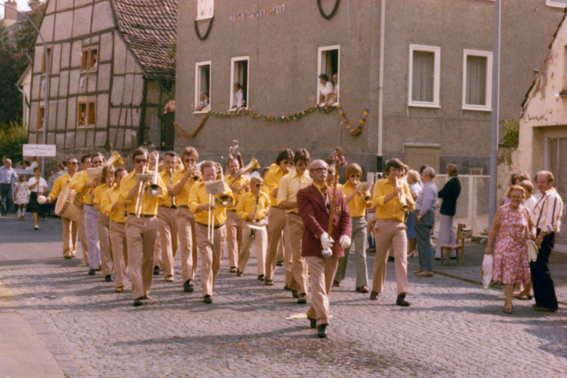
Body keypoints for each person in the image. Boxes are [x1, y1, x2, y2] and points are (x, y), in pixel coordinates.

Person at [297, 159, 351, 338]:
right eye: (318, 170)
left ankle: (312, 313)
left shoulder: (338, 192)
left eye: (325, 170)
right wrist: (321, 235)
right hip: (314, 245)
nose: (323, 173)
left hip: (334, 246)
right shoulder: (304, 193)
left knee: (326, 287)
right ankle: (323, 321)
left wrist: (345, 234)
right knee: (318, 284)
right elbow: (308, 217)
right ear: (310, 173)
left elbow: (346, 217)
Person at [119, 148, 166, 307]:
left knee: (148, 258)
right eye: (138, 160)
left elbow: (164, 195)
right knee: (134, 258)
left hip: (151, 220)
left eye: (143, 161)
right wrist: (137, 185)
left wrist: (153, 185)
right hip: (133, 219)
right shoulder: (127, 178)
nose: (141, 164)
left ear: (148, 162)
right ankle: (137, 294)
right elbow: (122, 199)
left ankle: (145, 289)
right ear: (133, 162)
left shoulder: (155, 176)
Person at [370, 158, 415, 306]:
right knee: (380, 259)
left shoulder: (403, 185)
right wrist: (393, 194)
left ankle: (401, 294)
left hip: (399, 225)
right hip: (383, 224)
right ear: (388, 171)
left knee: (401, 259)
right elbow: (375, 202)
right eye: (394, 170)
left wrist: (407, 199)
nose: (397, 173)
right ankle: (376, 288)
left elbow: (412, 207)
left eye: (399, 171)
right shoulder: (380, 184)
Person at [188, 161, 234, 304]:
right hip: (202, 227)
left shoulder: (223, 185)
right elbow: (191, 205)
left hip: (219, 228)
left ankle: (210, 285)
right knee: (206, 259)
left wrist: (221, 191)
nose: (210, 177)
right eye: (207, 175)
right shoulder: (196, 187)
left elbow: (231, 201)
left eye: (213, 174)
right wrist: (203, 207)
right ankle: (207, 292)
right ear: (202, 175)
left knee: (217, 262)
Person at [485, 185, 534, 313]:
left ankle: (509, 299)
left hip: (520, 249)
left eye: (519, 197)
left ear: (523, 198)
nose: (516, 199)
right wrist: (488, 246)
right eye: (513, 196)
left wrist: (533, 233)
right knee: (508, 275)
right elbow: (494, 229)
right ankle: (508, 301)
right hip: (504, 248)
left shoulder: (525, 211)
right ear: (509, 197)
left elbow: (531, 226)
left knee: (513, 275)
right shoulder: (502, 210)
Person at [277, 149, 312, 304]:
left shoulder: (312, 178)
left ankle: (292, 283)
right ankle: (303, 291)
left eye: (305, 165)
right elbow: (280, 203)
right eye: (299, 164)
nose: (302, 167)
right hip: (293, 218)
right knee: (298, 255)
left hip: (310, 219)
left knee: (309, 255)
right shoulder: (286, 179)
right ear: (294, 163)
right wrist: (298, 203)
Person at [530, 171, 564, 312]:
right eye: (538, 181)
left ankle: (550, 303)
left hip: (545, 234)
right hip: (537, 232)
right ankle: (541, 300)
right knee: (534, 266)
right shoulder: (540, 195)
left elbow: (549, 221)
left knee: (541, 266)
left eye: (542, 182)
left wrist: (540, 238)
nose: (539, 184)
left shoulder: (552, 197)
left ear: (551, 183)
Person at [333, 163, 370, 293]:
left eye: (358, 176)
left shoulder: (363, 188)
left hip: (360, 221)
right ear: (347, 176)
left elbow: (369, 206)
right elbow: (343, 203)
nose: (355, 178)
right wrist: (355, 192)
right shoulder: (341, 188)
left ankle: (361, 283)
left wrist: (365, 197)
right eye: (352, 175)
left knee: (361, 253)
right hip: (346, 222)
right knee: (344, 252)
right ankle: (337, 277)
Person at [263, 149, 294, 286]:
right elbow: (274, 192)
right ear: (279, 161)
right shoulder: (271, 174)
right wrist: (288, 187)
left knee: (289, 247)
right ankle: (269, 275)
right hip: (276, 210)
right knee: (273, 246)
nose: (288, 166)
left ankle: (289, 281)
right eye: (285, 162)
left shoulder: (294, 174)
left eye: (290, 163)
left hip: (289, 211)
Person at [70, 153, 105, 275]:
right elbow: (72, 185)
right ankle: (93, 265)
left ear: (104, 162)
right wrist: (87, 185)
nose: (98, 164)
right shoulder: (85, 174)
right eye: (95, 162)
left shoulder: (107, 174)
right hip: (89, 207)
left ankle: (104, 263)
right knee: (91, 237)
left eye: (100, 162)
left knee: (105, 237)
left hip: (103, 207)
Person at [172, 147, 200, 293]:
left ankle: (192, 275)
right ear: (183, 161)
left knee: (195, 247)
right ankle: (187, 279)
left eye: (192, 160)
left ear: (196, 161)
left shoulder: (200, 174)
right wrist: (186, 176)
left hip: (197, 212)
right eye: (187, 160)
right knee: (187, 246)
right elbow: (174, 191)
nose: (190, 163)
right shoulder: (177, 173)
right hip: (183, 211)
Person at [101, 167, 129, 293]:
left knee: (127, 255)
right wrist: (116, 204)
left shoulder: (132, 191)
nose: (123, 179)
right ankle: (120, 282)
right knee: (117, 255)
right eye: (120, 177)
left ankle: (122, 273)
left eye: (125, 177)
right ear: (115, 179)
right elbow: (104, 208)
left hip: (131, 225)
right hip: (116, 224)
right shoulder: (109, 192)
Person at [236, 176, 270, 279]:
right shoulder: (244, 197)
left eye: (261, 185)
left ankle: (262, 273)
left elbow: (269, 205)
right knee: (245, 248)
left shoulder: (264, 196)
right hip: (248, 223)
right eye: (257, 185)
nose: (260, 187)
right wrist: (247, 215)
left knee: (262, 248)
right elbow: (239, 211)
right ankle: (240, 268)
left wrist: (266, 211)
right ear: (251, 186)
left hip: (260, 223)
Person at [46, 158, 80, 259]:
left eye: (77, 163)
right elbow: (54, 191)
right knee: (66, 229)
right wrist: (50, 197)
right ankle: (66, 251)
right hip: (65, 207)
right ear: (67, 165)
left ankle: (73, 249)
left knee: (75, 229)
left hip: (77, 206)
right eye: (73, 163)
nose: (76, 165)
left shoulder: (80, 177)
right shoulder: (61, 179)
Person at [224, 157, 251, 273]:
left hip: (242, 213)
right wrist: (228, 190)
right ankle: (233, 264)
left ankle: (240, 262)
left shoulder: (246, 178)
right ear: (228, 168)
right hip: (230, 212)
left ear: (239, 167)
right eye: (232, 167)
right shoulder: (225, 180)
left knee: (241, 239)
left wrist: (248, 189)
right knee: (232, 237)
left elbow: (251, 195)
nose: (234, 168)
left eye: (236, 166)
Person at [156, 152, 180, 282]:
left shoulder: (180, 176)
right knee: (166, 241)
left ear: (176, 164)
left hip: (177, 211)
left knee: (175, 244)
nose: (170, 165)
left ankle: (165, 262)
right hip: (162, 210)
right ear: (164, 163)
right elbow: (154, 193)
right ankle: (169, 272)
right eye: (168, 162)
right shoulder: (158, 177)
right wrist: (165, 189)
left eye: (173, 163)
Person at [413, 167, 438, 277]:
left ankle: (427, 268)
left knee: (424, 243)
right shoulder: (428, 186)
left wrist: (420, 215)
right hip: (422, 216)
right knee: (421, 242)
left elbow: (427, 204)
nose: (421, 176)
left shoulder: (430, 188)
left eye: (422, 174)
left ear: (427, 175)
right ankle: (423, 266)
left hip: (424, 216)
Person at [93, 164, 115, 282]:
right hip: (103, 219)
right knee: (105, 245)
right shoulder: (99, 189)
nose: (110, 179)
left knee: (113, 245)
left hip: (115, 219)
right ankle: (107, 272)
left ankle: (113, 268)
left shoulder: (118, 187)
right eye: (107, 176)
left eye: (112, 176)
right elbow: (95, 205)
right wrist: (105, 207)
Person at [435, 164, 461, 259]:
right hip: (452, 207)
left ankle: (442, 254)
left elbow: (442, 193)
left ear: (449, 171)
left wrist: (435, 193)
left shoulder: (451, 182)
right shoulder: (457, 182)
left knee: (444, 231)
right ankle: (452, 252)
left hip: (446, 208)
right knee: (450, 230)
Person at [74, 155, 92, 265]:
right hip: (83, 205)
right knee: (85, 234)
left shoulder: (100, 174)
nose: (91, 165)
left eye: (92, 162)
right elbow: (72, 185)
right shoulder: (79, 174)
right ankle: (89, 259)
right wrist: (87, 185)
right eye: (88, 163)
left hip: (98, 206)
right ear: (83, 165)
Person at [405, 170, 421, 258]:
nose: (407, 178)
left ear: (411, 178)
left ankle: (411, 249)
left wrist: (410, 203)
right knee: (413, 229)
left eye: (408, 176)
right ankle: (413, 249)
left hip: (413, 210)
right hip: (416, 210)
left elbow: (415, 196)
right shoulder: (417, 185)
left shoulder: (413, 187)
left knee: (410, 229)